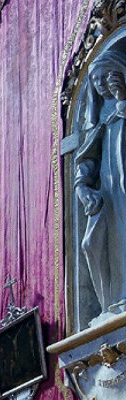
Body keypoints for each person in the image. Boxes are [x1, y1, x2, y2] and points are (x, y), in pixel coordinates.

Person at [75, 48, 126, 325]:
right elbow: (86, 159)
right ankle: (112, 303)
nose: (102, 85)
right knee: (91, 243)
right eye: (96, 81)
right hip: (110, 193)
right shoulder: (103, 119)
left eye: (106, 77)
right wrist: (83, 188)